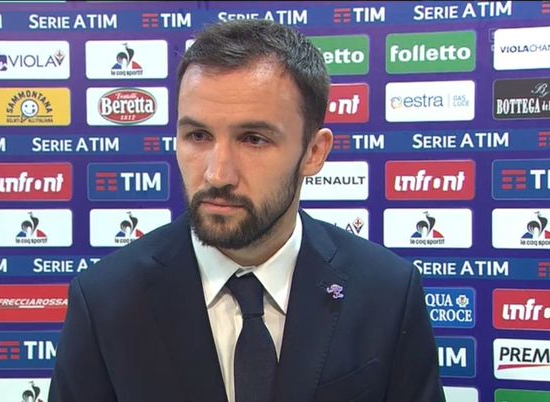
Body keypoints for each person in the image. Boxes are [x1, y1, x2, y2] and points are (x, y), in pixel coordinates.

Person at [49, 19, 444, 402]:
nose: (217, 174)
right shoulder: (106, 302)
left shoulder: (387, 293)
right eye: (198, 135)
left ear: (314, 152)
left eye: (253, 139)